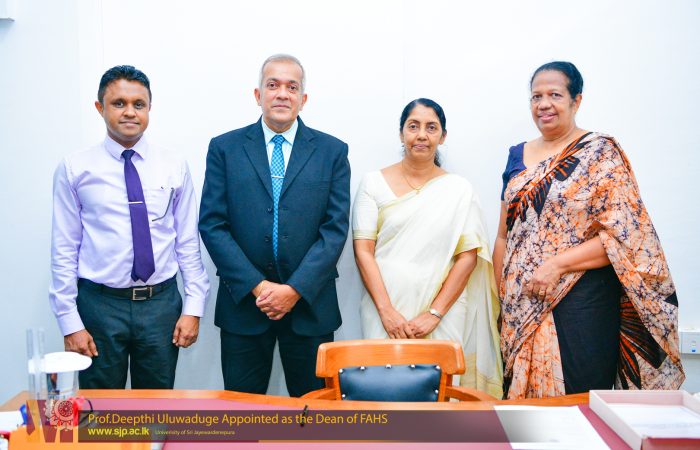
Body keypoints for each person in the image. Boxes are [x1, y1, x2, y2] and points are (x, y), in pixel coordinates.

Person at [494, 61, 684, 399]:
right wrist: (503, 296)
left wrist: (556, 265)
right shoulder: (516, 156)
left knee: (578, 402)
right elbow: (504, 236)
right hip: (520, 306)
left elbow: (626, 239)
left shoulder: (599, 153)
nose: (544, 104)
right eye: (536, 96)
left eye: (555, 95)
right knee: (521, 412)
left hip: (582, 302)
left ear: (576, 100)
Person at [199, 54, 350, 397]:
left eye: (291, 87)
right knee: (243, 413)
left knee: (314, 413)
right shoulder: (225, 148)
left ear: (303, 98)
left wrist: (294, 289)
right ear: (258, 95)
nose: (282, 93)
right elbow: (212, 224)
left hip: (310, 305)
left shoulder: (332, 152)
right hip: (244, 305)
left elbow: (335, 229)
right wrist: (258, 287)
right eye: (273, 85)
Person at [50, 65, 210, 389]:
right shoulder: (75, 168)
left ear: (149, 107)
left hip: (161, 305)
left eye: (139, 104)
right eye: (118, 103)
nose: (129, 112)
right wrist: (69, 322)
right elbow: (64, 248)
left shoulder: (174, 165)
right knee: (100, 409)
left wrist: (194, 307)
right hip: (99, 307)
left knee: (155, 409)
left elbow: (187, 242)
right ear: (100, 107)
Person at [352, 98, 503, 398]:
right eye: (413, 126)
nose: (421, 134)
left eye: (431, 127)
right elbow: (363, 250)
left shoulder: (459, 189)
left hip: (444, 312)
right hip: (384, 308)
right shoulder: (373, 183)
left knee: (441, 395)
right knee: (384, 394)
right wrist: (386, 311)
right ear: (401, 133)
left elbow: (468, 257)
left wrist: (434, 314)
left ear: (442, 136)